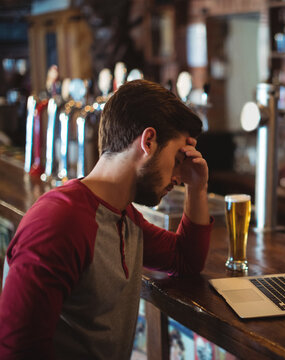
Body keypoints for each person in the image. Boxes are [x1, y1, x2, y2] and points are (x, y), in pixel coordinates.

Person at [0, 79, 212, 359]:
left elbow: (185, 260)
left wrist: (198, 187)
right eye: (177, 158)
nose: (178, 176)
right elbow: (16, 351)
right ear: (148, 141)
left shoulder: (123, 215)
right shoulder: (59, 222)